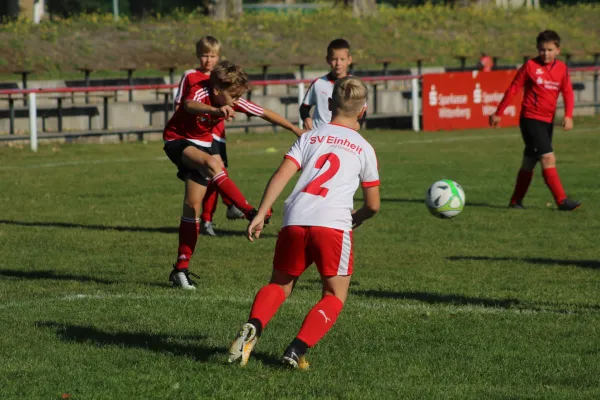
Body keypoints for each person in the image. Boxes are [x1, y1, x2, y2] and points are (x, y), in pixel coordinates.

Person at [228, 76, 380, 369]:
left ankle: (255, 326)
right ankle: (296, 350)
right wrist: (355, 219)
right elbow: (373, 205)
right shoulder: (363, 147)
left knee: (280, 285)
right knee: (334, 295)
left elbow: (281, 175)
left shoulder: (310, 137)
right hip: (333, 225)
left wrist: (261, 213)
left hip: (295, 220)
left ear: (328, 103)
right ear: (364, 110)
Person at [164, 60, 305, 290]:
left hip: (201, 145)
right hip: (177, 141)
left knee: (192, 207)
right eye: (233, 95)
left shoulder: (231, 100)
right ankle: (249, 211)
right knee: (213, 162)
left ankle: (180, 269)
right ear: (217, 90)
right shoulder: (201, 88)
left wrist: (295, 129)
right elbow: (189, 104)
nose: (236, 100)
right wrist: (215, 110)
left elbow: (265, 113)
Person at [490, 30, 580, 211]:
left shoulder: (562, 69)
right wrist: (499, 112)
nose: (545, 53)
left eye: (549, 50)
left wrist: (568, 115)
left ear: (557, 50)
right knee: (547, 157)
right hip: (530, 119)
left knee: (529, 161)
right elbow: (514, 88)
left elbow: (568, 92)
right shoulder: (530, 66)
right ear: (537, 49)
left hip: (547, 121)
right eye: (542, 50)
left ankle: (516, 201)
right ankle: (561, 201)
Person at [175, 36, 247, 237]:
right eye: (205, 55)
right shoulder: (190, 76)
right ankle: (227, 207)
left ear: (219, 56)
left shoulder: (221, 77)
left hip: (217, 134)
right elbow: (181, 103)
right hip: (196, 135)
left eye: (213, 56)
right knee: (213, 174)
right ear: (198, 55)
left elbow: (233, 97)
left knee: (217, 174)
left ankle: (209, 218)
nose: (208, 60)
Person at [299, 38, 353, 130]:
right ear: (328, 59)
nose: (338, 63)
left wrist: (357, 125)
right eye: (334, 59)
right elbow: (304, 108)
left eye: (342, 59)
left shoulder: (355, 85)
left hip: (343, 137)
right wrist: (306, 118)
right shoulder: (318, 84)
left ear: (349, 60)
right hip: (320, 136)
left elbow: (362, 112)